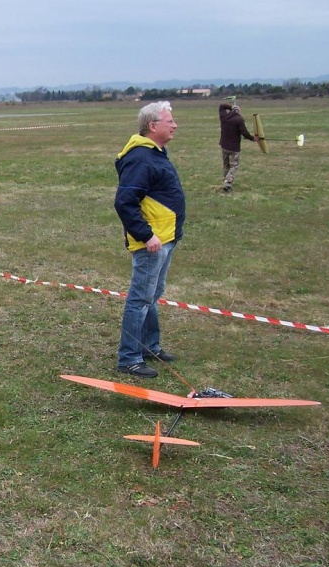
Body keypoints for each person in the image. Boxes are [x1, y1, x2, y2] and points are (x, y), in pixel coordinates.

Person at [113, 101, 186, 378]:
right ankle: (129, 358)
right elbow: (124, 202)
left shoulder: (156, 153)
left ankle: (149, 347)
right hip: (151, 242)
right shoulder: (141, 158)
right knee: (140, 298)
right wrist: (146, 235)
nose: (175, 125)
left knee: (152, 296)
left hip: (166, 238)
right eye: (170, 121)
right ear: (153, 126)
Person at [218, 102, 256, 192]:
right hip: (234, 148)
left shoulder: (224, 117)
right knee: (234, 166)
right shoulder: (239, 119)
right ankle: (227, 183)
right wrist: (253, 138)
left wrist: (231, 106)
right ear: (238, 111)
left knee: (226, 165)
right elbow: (245, 133)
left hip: (224, 146)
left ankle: (225, 182)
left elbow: (221, 106)